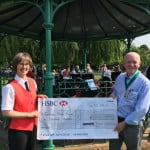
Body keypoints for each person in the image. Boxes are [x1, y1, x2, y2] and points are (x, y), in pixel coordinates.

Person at [1, 52, 47, 150]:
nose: (24, 67)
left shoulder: (33, 82)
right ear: (15, 66)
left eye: (26, 64)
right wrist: (29, 115)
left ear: (30, 66)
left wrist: (37, 97)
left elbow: (28, 98)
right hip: (18, 130)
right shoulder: (9, 87)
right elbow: (6, 112)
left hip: (33, 127)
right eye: (21, 64)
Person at [109, 52, 150, 150]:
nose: (131, 65)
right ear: (124, 64)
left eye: (134, 62)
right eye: (128, 62)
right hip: (116, 120)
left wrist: (124, 123)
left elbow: (142, 109)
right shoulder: (120, 77)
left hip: (132, 125)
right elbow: (116, 91)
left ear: (139, 64)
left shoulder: (145, 83)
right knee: (113, 148)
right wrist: (113, 95)